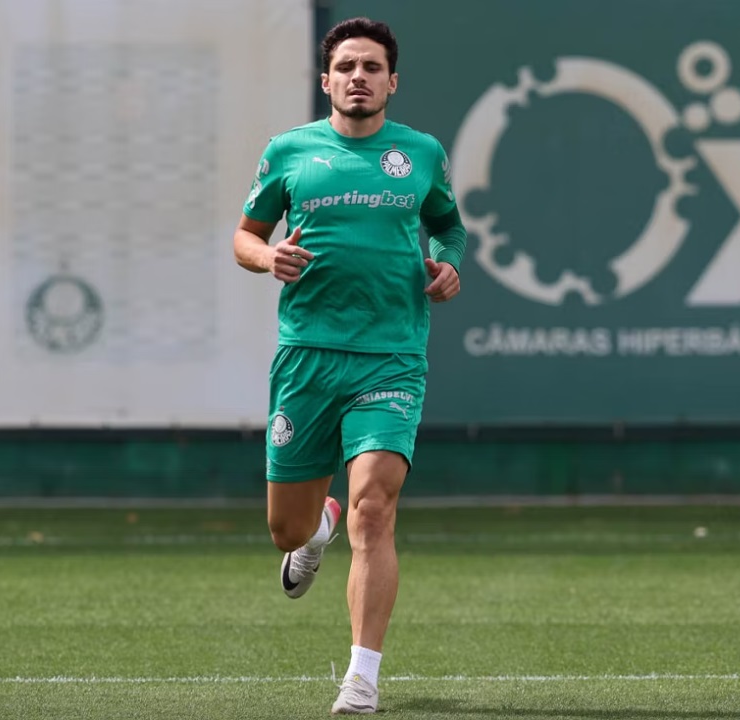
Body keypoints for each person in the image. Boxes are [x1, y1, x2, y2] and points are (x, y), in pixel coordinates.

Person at [231, 16, 467, 715]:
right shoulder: (289, 151)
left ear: (392, 81)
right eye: (345, 67)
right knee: (286, 530)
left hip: (391, 356)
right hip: (307, 356)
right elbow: (245, 235)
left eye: (371, 67)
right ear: (326, 80)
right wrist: (267, 256)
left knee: (375, 508)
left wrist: (448, 263)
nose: (358, 77)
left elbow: (449, 225)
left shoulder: (420, 153)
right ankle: (315, 530)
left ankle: (362, 678)